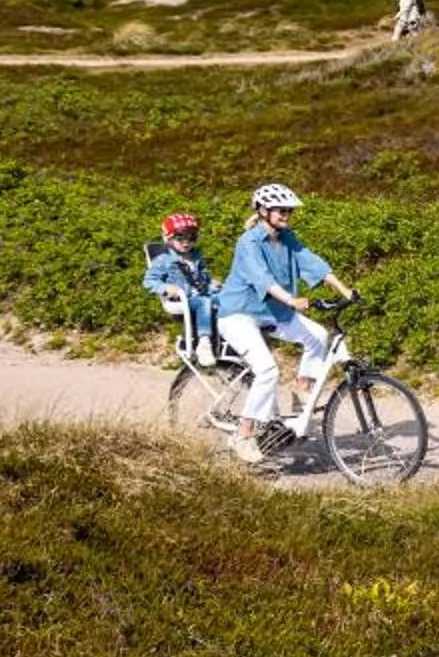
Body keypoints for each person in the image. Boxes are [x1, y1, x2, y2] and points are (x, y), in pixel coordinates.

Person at [215, 182, 356, 464]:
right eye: (281, 210)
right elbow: (262, 279)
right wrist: (291, 301)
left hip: (270, 311)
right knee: (267, 370)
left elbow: (313, 262)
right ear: (264, 210)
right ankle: (244, 433)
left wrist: (345, 291)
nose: (286, 215)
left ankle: (302, 385)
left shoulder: (287, 237)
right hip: (238, 314)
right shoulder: (249, 243)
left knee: (317, 335)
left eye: (289, 210)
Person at [144, 211, 217, 358]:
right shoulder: (163, 260)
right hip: (185, 298)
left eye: (191, 238)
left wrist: (211, 281)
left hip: (202, 292)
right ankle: (204, 343)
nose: (186, 242)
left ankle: (227, 340)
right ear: (168, 238)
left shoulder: (196, 255)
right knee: (204, 302)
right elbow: (149, 282)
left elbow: (203, 274)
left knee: (229, 297)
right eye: (180, 238)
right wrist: (166, 288)